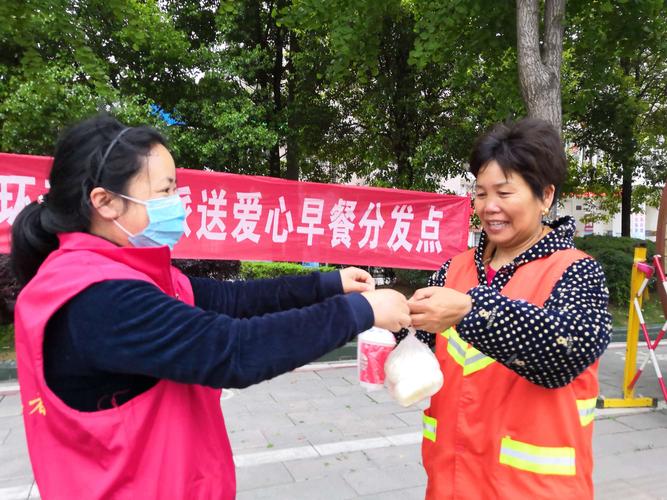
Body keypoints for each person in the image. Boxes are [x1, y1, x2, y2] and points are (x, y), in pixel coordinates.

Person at [11, 114, 411, 500]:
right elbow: (234, 351)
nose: (177, 203)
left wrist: (331, 284)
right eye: (165, 191)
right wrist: (362, 311)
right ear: (106, 202)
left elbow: (232, 300)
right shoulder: (98, 298)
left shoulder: (121, 274)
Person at [402, 118, 612, 499]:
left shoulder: (576, 270)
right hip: (450, 484)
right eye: (480, 194)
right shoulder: (457, 268)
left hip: (533, 489)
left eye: (504, 192)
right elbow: (423, 340)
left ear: (545, 196)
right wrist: (384, 318)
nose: (489, 207)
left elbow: (565, 352)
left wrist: (470, 311)